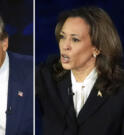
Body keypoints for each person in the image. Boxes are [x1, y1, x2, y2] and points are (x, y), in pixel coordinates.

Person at [36, 7, 124, 135]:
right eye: (62, 37)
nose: (65, 46)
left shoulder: (120, 90)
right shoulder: (46, 76)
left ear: (97, 48)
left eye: (75, 39)